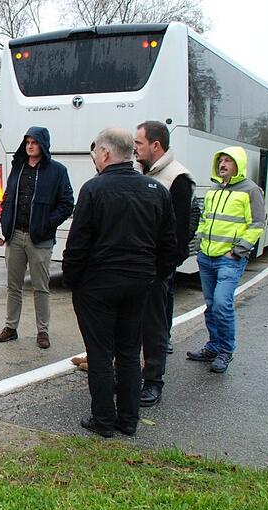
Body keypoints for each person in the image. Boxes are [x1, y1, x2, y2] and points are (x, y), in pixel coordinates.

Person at [63, 128, 176, 438]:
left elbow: (78, 244)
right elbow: (169, 245)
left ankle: (103, 419)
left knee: (100, 353)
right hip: (140, 283)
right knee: (129, 351)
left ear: (105, 153)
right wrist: (155, 277)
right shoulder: (155, 189)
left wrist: (73, 281)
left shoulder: (94, 189)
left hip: (99, 284)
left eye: (96, 154)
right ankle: (128, 419)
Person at [133, 121, 195, 407]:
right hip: (134, 265)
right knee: (131, 326)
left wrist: (164, 268)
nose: (135, 148)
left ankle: (153, 382)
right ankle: (132, 376)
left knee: (155, 328)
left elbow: (180, 231)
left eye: (139, 143)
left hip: (156, 269)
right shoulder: (139, 172)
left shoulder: (177, 178)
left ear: (156, 145)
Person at [186, 147, 265, 374]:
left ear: (238, 164)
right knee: (211, 305)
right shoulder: (214, 190)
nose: (222, 164)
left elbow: (257, 224)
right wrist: (200, 242)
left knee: (222, 303)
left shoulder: (251, 190)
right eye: (220, 160)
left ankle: (225, 351)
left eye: (227, 161)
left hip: (229, 259)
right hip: (207, 257)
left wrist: (238, 250)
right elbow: (205, 219)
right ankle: (213, 346)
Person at [0, 127, 73, 350]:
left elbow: (67, 203)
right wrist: (6, 223)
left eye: (34, 142)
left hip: (40, 239)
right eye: (27, 142)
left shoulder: (57, 171)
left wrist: (47, 223)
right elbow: (8, 196)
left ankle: (43, 331)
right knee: (13, 285)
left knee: (41, 287)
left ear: (43, 145)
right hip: (15, 235)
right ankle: (11, 327)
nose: (30, 146)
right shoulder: (18, 168)